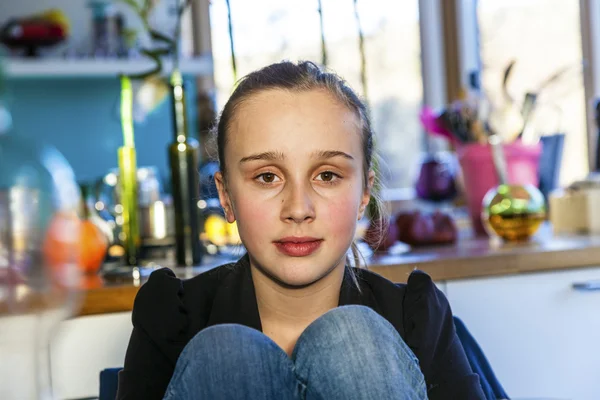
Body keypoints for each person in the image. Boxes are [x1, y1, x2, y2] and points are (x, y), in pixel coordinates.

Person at [116, 61, 485, 400]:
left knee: (352, 342)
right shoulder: (170, 317)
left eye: (327, 176)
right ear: (226, 196)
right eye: (266, 177)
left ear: (363, 195)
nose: (297, 209)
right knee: (228, 354)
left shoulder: (417, 317)